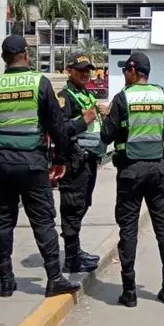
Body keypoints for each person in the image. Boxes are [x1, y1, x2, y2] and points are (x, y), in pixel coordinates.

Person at [0, 35, 79, 298]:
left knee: (3, 222)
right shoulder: (39, 83)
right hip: (32, 164)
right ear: (26, 55)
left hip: (1, 165)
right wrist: (61, 159)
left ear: (4, 57)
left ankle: (6, 280)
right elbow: (57, 127)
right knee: (42, 221)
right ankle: (54, 278)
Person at [100, 51, 164, 307]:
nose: (125, 74)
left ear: (134, 71)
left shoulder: (122, 99)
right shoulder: (162, 96)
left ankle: (130, 292)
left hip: (130, 172)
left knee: (128, 229)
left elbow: (106, 136)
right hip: (158, 170)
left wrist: (107, 117)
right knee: (163, 227)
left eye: (126, 70)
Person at [57, 51, 107, 274]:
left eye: (88, 70)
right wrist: (82, 120)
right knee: (72, 208)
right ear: (70, 71)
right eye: (81, 71)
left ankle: (76, 252)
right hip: (74, 161)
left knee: (83, 205)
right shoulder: (64, 97)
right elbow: (61, 130)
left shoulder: (86, 95)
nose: (86, 74)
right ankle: (71, 258)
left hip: (89, 159)